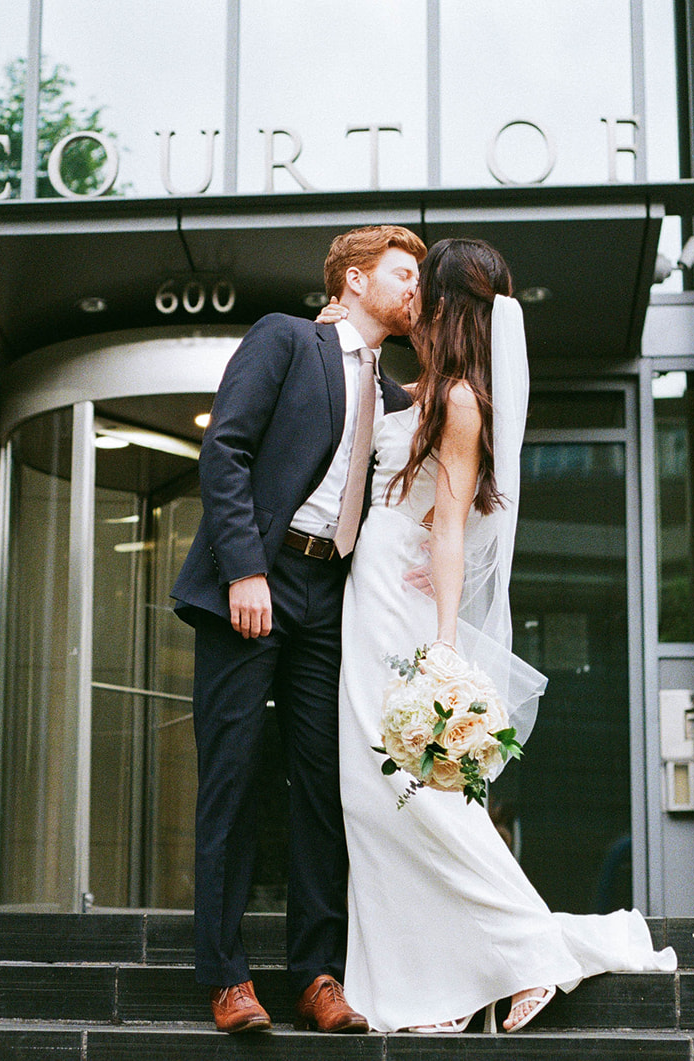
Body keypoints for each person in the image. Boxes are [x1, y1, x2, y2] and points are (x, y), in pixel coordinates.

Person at [321, 237, 677, 1033]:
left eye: (421, 289)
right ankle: (437, 983)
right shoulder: (421, 389)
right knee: (371, 803)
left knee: (423, 800)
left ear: (446, 308)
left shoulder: (460, 402)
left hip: (402, 622)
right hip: (369, 601)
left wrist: (444, 644)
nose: (410, 299)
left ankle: (529, 953)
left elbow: (449, 528)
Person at [171, 224, 427, 1034]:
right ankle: (227, 978)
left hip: (331, 597)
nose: (415, 288)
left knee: (325, 787)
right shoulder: (285, 339)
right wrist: (245, 567)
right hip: (260, 576)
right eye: (403, 273)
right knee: (235, 778)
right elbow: (228, 450)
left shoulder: (391, 394)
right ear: (353, 279)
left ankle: (319, 974)